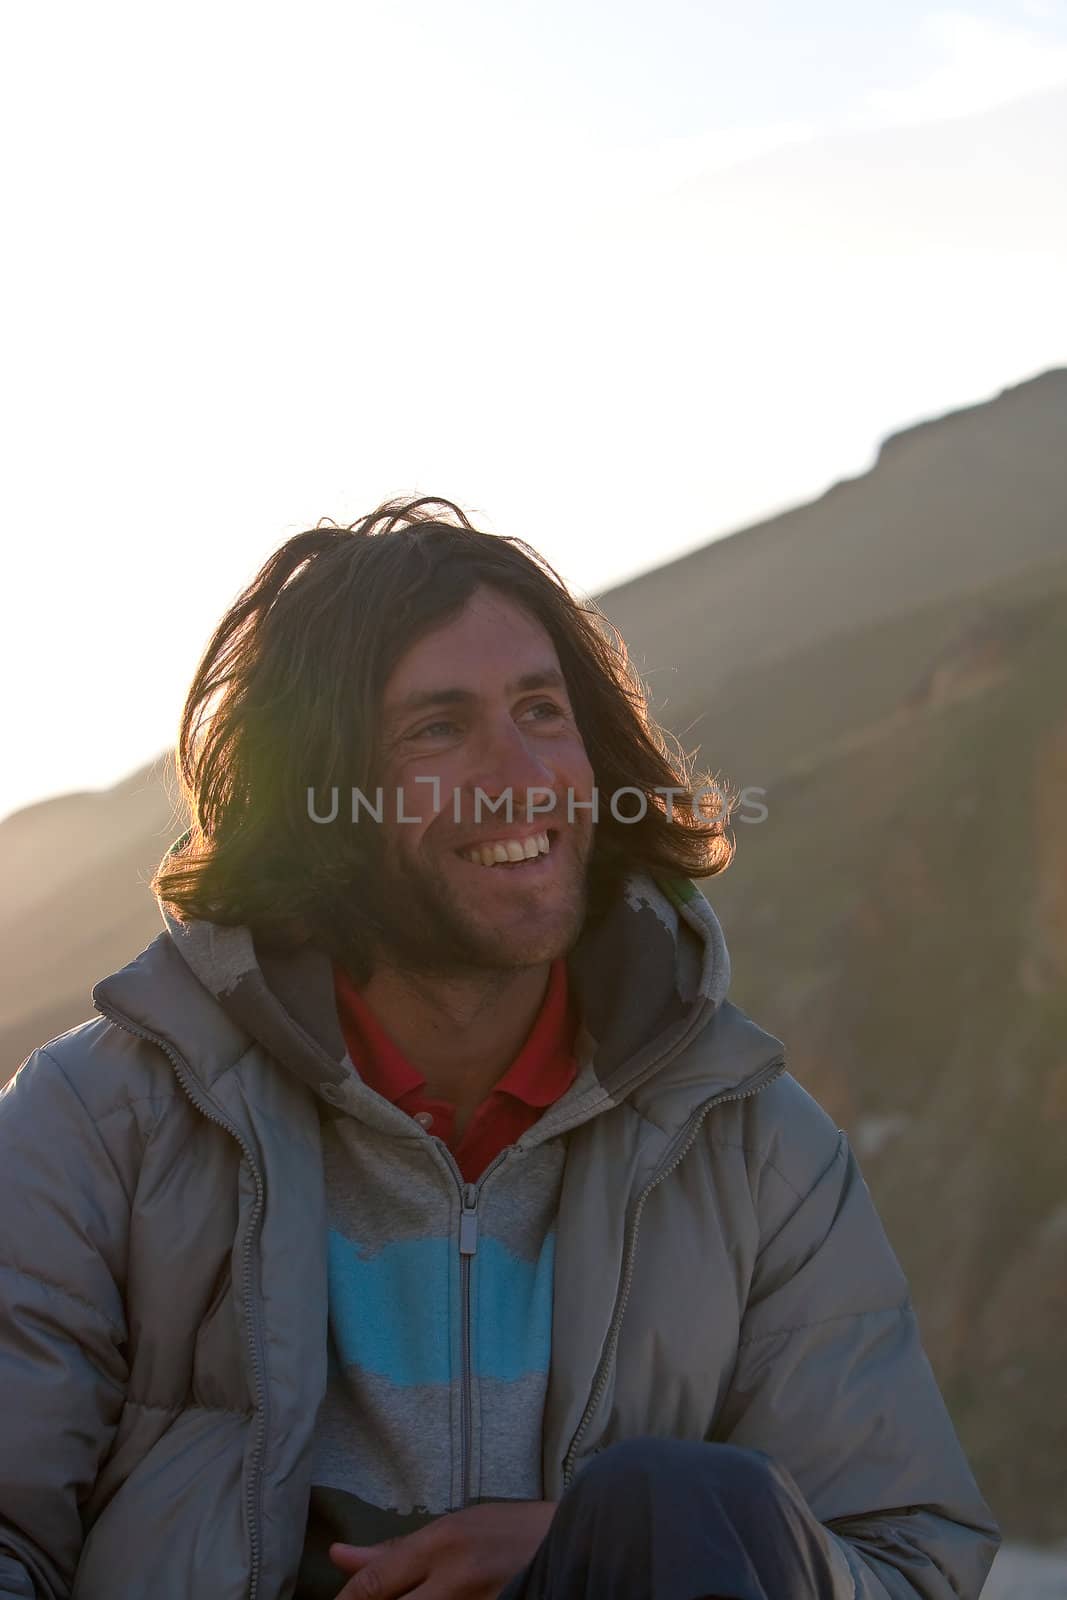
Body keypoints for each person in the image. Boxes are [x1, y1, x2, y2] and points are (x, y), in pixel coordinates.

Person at [0, 496, 1000, 1600]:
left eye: (540, 709)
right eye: (437, 728)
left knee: (676, 1498)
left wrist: (632, 1536)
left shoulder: (754, 1153)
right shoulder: (100, 1126)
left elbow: (910, 1563)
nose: (517, 771)